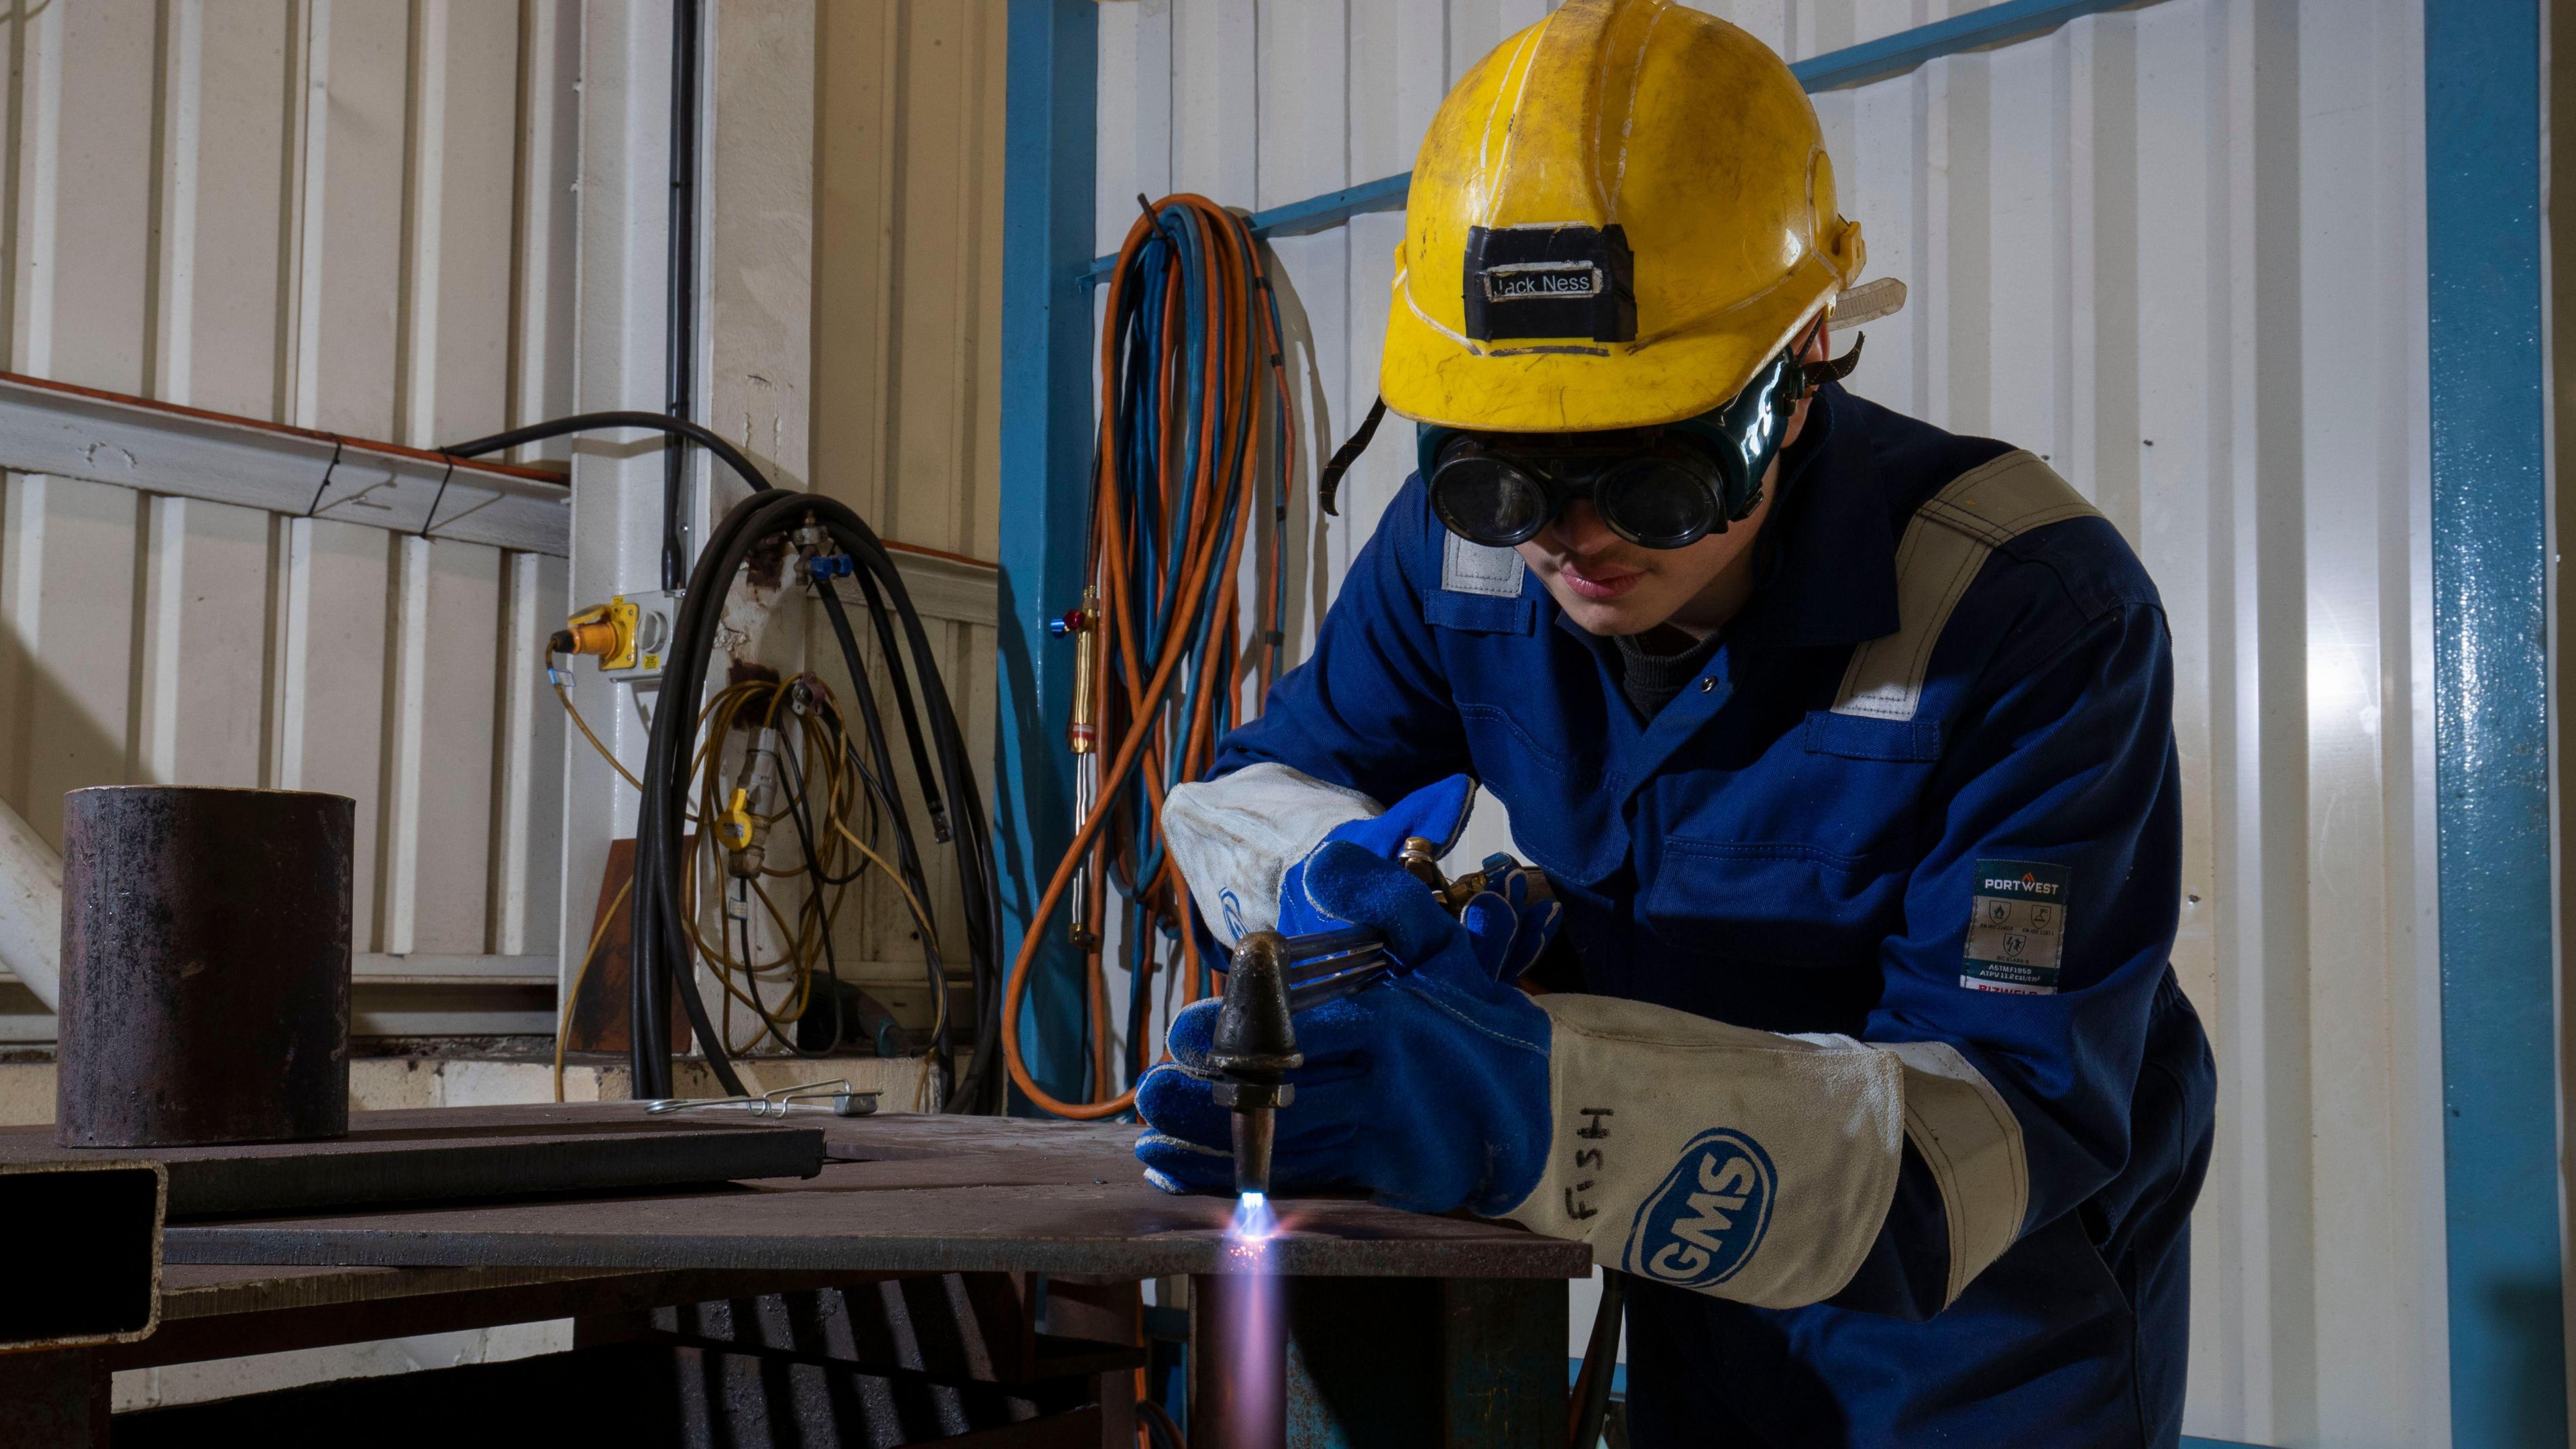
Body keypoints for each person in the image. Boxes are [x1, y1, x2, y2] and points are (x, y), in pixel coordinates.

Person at [1132, 1, 2217, 1444]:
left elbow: (1989, 1125)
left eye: (1650, 476)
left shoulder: (2020, 610)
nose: (1572, 541)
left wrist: (1537, 1107)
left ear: (1806, 361)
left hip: (1968, 1340)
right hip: (1690, 1269)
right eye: (1507, 474)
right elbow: (1259, 781)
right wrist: (1342, 899)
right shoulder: (1460, 555)